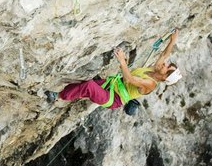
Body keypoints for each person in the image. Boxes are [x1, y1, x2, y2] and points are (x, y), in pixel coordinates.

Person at [45, 30, 182, 115]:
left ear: (164, 77)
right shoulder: (155, 70)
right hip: (112, 85)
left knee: (89, 86)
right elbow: (164, 55)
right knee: (84, 83)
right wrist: (172, 40)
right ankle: (62, 94)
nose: (165, 64)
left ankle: (58, 95)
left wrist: (122, 61)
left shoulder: (150, 84)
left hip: (114, 98)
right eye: (168, 64)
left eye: (167, 67)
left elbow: (130, 80)